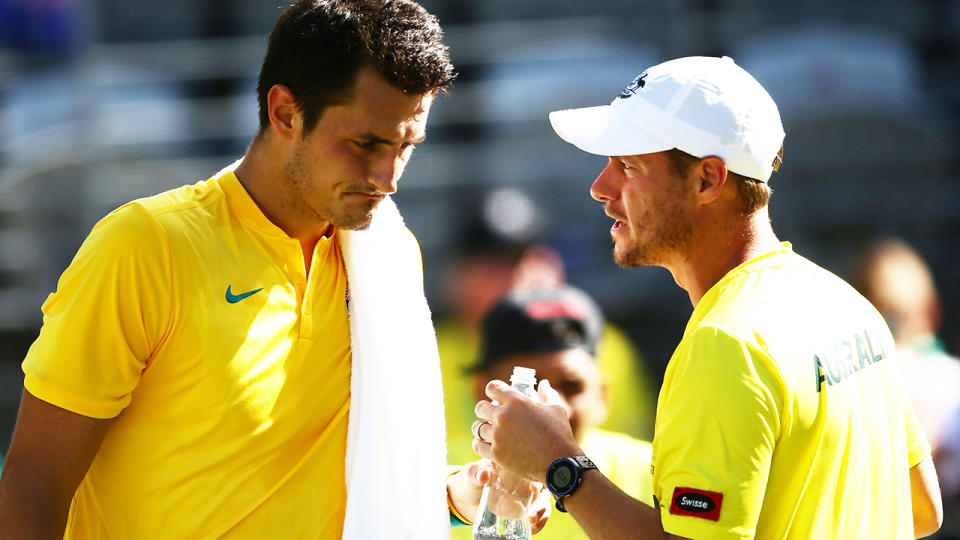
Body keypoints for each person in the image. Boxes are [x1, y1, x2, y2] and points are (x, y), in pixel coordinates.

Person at [0, 1, 545, 538]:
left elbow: (359, 478)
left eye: (406, 146)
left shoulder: (391, 252)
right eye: (365, 144)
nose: (387, 177)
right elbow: (32, 484)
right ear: (285, 112)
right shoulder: (146, 246)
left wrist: (455, 494)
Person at [471, 56, 943, 539]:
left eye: (628, 165)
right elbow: (923, 508)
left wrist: (560, 465)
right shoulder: (846, 303)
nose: (600, 187)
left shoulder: (726, 344)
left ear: (708, 180)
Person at [438, 186, 655, 470]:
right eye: (493, 266)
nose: (515, 277)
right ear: (459, 279)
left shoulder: (604, 345)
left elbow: (629, 444)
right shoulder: (425, 354)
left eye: (523, 259)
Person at [452, 284, 652, 540]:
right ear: (484, 391)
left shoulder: (653, 471)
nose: (555, 408)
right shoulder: (437, 477)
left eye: (573, 386)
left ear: (602, 395)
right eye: (526, 388)